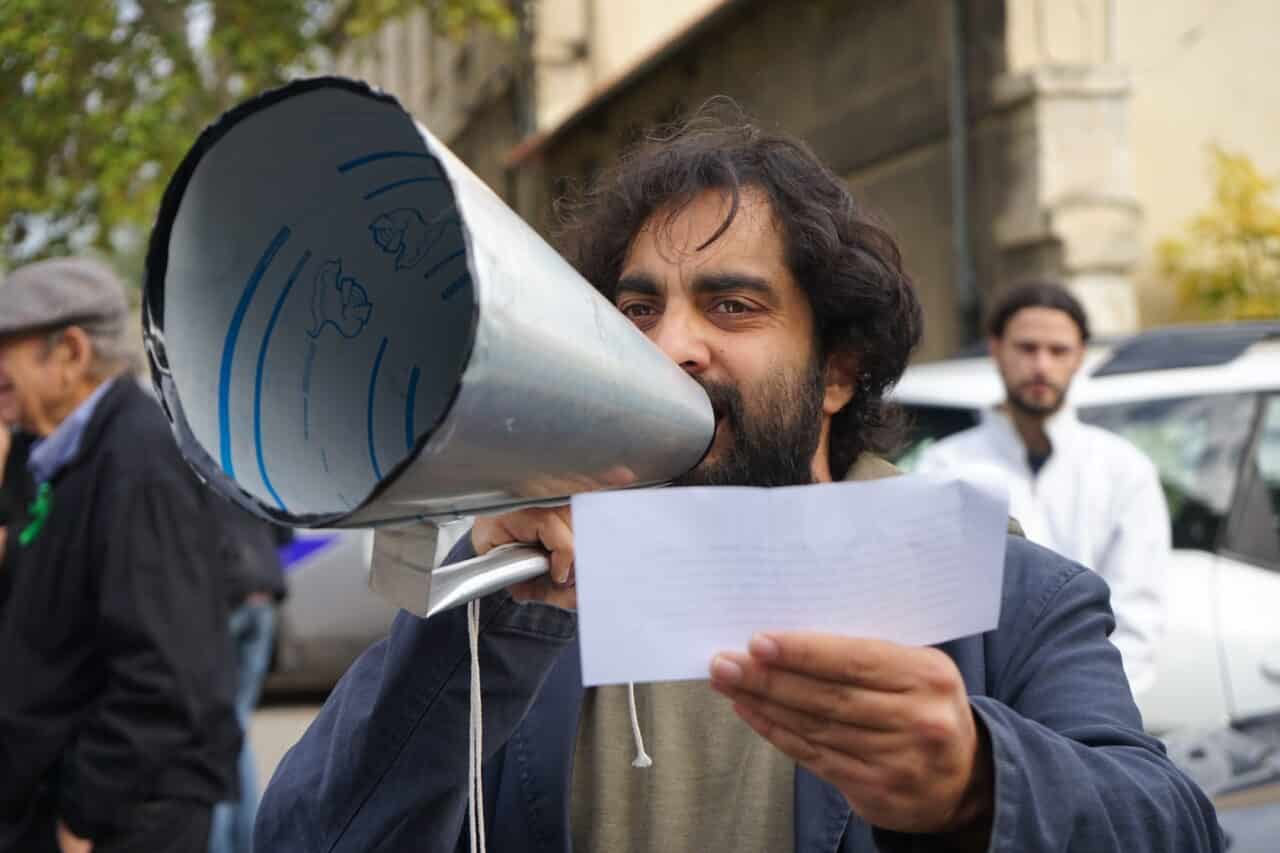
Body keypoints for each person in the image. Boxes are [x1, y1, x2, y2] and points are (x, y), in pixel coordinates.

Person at [255, 108, 1221, 851]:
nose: (673, 346)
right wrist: (478, 622)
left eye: (732, 304)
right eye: (637, 309)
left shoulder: (1009, 593)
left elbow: (1174, 825)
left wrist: (978, 780)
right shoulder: (527, 590)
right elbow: (305, 833)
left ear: (837, 372)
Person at [0, 258, 241, 853]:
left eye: (5, 354)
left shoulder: (138, 462)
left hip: (126, 818)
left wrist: (82, 815)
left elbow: (163, 675)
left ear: (71, 353)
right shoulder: (57, 457)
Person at [916, 282, 1170, 695]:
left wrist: (1097, 711)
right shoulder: (946, 467)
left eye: (1058, 351)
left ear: (1080, 356)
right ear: (996, 349)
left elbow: (1138, 616)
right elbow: (937, 614)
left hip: (1092, 710)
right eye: (1027, 347)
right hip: (984, 713)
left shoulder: (1124, 470)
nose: (1041, 365)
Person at [208, 505, 288, 853]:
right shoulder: (240, 455)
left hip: (224, 593)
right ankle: (248, 841)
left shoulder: (191, 456)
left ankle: (222, 844)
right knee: (236, 728)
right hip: (263, 591)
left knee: (216, 732)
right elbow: (285, 529)